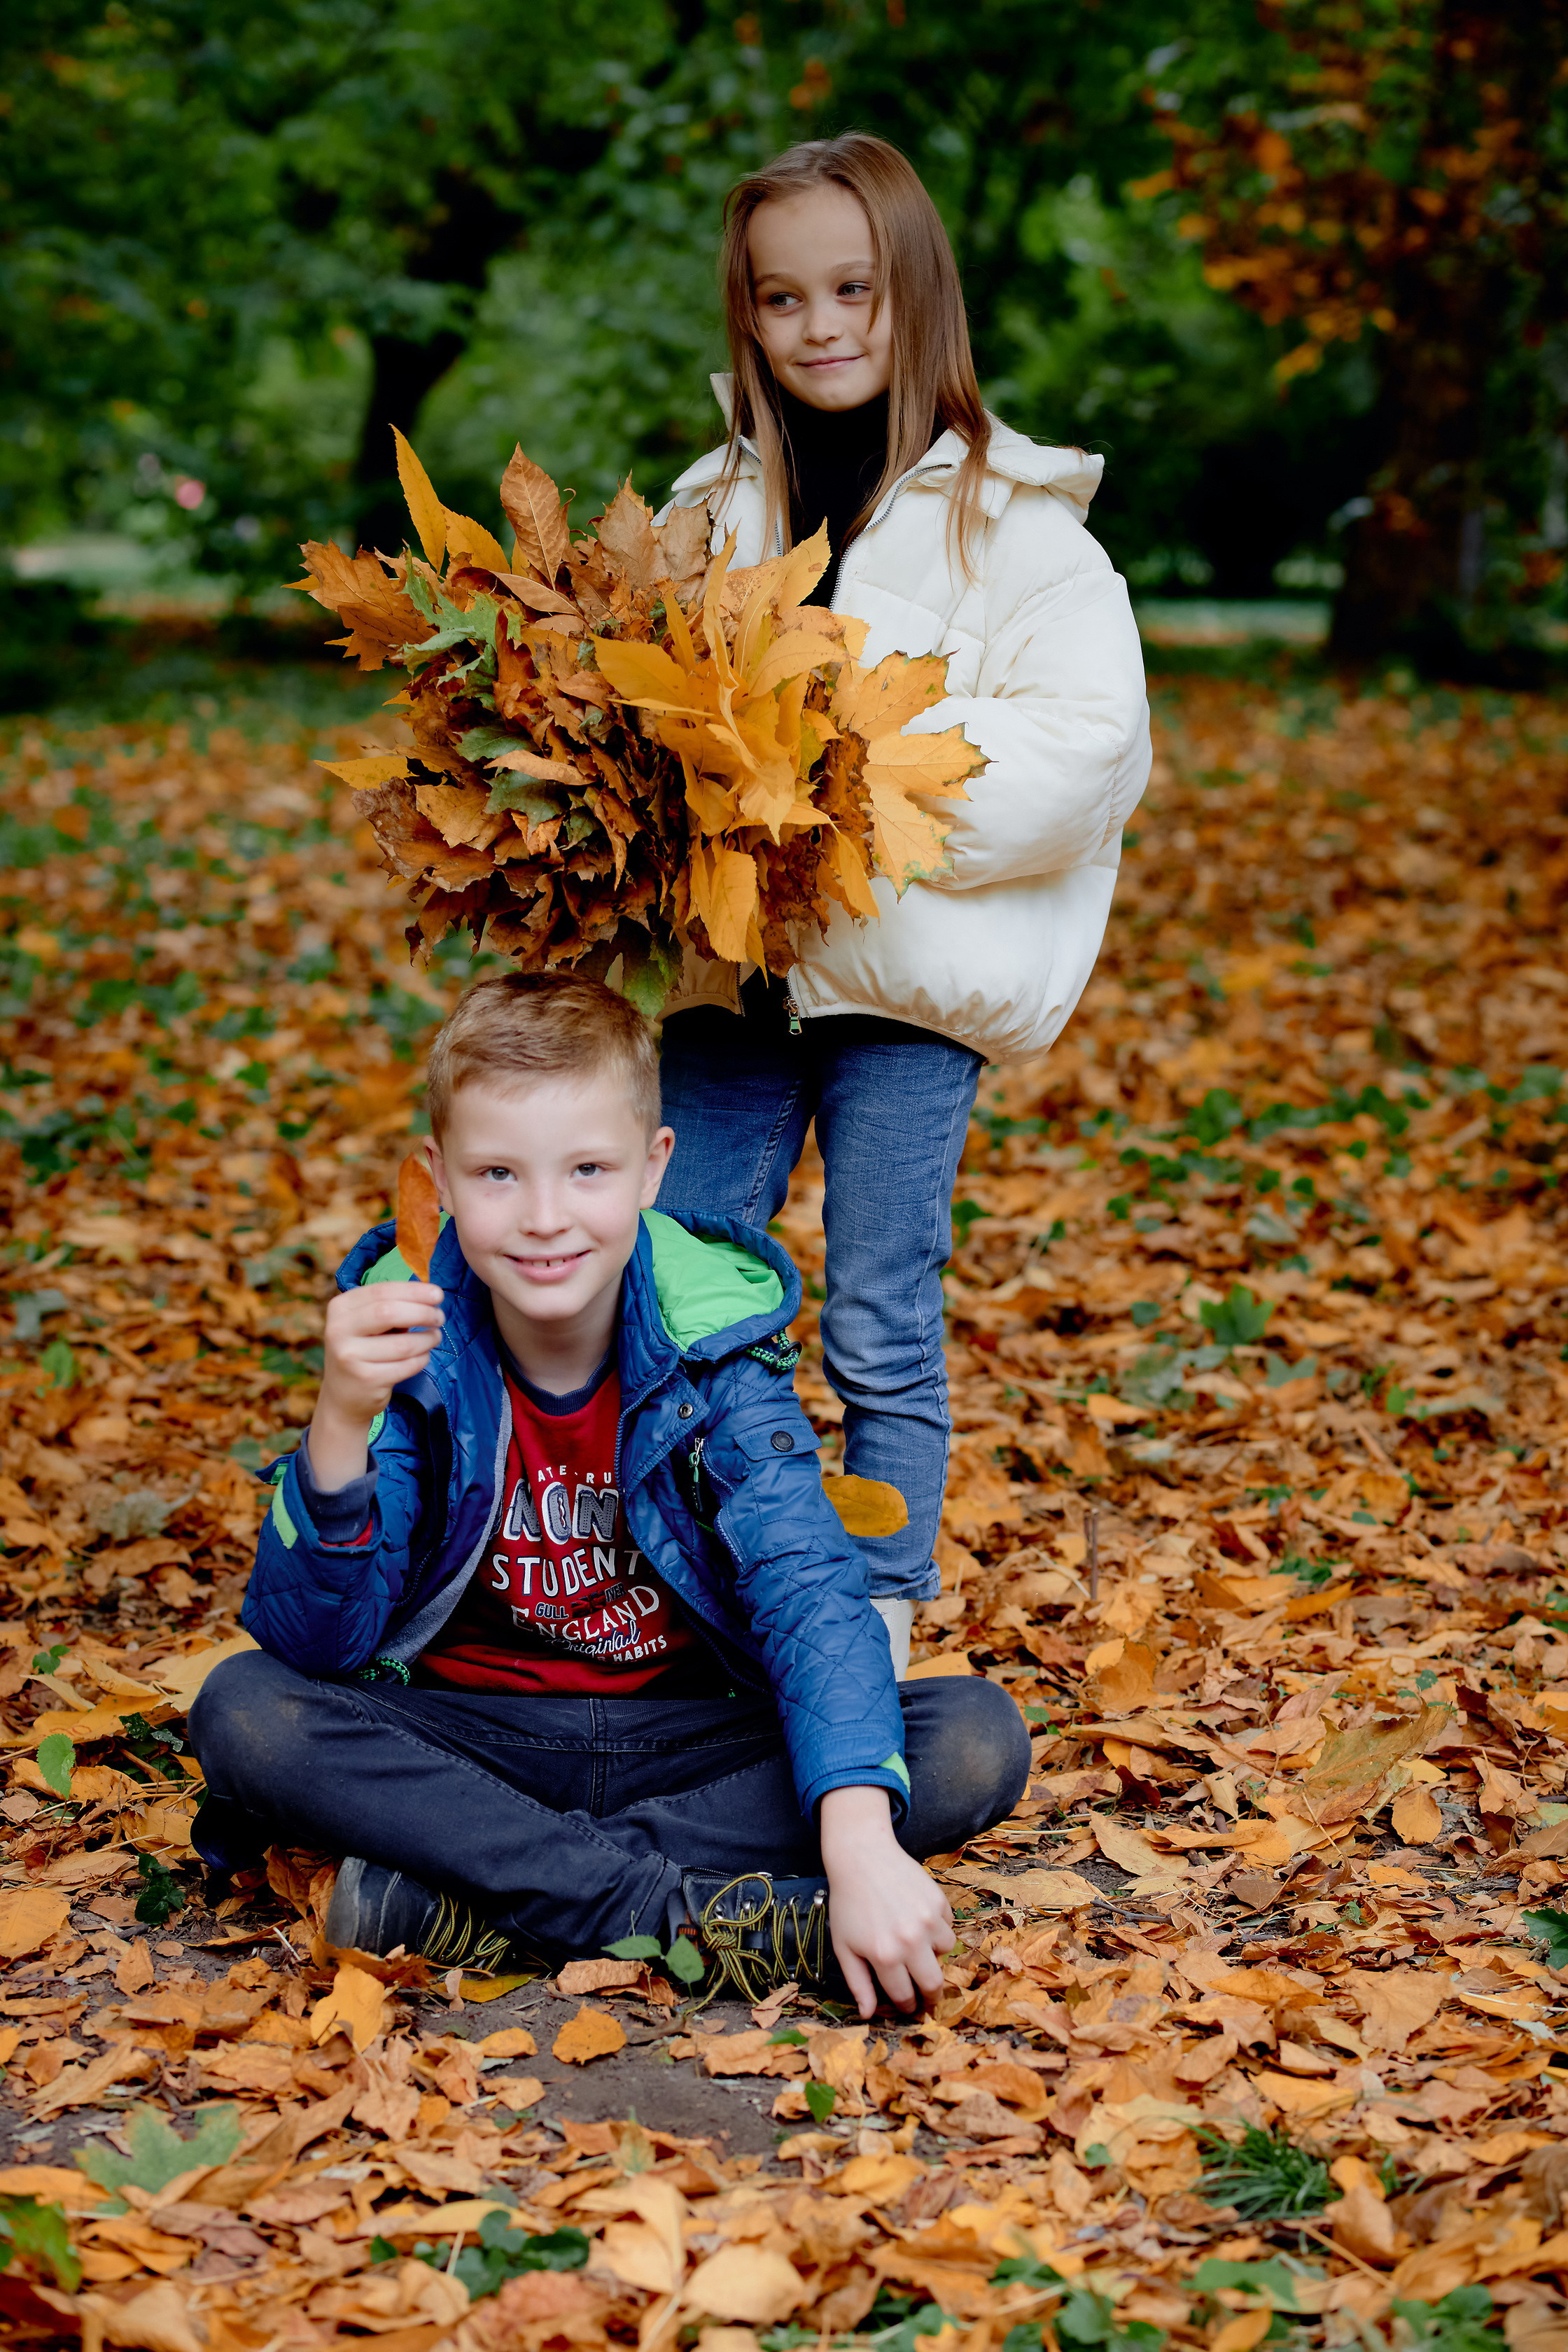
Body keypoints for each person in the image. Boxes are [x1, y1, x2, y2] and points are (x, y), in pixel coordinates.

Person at [188, 974, 1029, 2014]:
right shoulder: (412, 1341)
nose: (545, 1219)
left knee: (971, 1738)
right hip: (474, 1739)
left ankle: (476, 1907)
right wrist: (337, 1424)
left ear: (652, 1169)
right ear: (440, 1180)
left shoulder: (711, 1346)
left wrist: (855, 1841)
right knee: (245, 1711)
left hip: (679, 1743)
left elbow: (808, 1588)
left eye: (588, 1169)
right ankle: (675, 1917)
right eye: (499, 1174)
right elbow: (317, 1645)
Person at [655, 134, 1152, 1676]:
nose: (818, 325)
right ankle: (704, 1565)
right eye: (779, 296)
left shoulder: (1016, 527)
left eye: (852, 288)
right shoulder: (704, 505)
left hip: (906, 988)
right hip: (731, 973)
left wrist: (843, 781)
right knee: (681, 1258)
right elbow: (643, 711)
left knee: (878, 1301)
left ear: (914, 290)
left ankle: (870, 1614)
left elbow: (1084, 758)